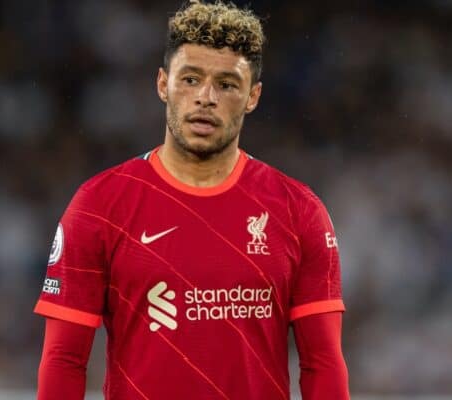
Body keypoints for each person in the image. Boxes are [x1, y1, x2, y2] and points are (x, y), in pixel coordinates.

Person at [34, 1, 349, 399]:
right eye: (190, 79)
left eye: (227, 84)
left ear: (253, 96)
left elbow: (322, 363)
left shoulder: (298, 210)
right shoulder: (100, 205)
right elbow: (64, 359)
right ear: (163, 84)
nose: (206, 97)